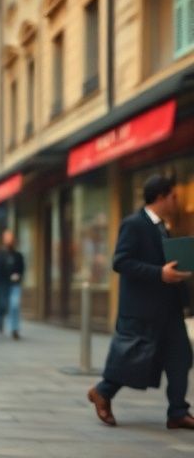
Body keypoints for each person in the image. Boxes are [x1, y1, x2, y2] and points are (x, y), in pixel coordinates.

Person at [88, 174, 194, 430]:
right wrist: (160, 273)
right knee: (133, 358)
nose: (175, 202)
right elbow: (120, 261)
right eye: (173, 197)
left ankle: (178, 411)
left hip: (168, 309)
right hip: (142, 309)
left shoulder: (162, 226)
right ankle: (102, 392)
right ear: (160, 197)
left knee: (181, 356)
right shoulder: (134, 224)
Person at [0, 229, 24, 340]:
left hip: (15, 285)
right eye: (7, 238)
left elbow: (22, 269)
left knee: (14, 306)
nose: (9, 241)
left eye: (10, 238)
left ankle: (14, 329)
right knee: (5, 307)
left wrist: (18, 275)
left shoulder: (18, 255)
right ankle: (3, 324)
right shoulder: (0, 254)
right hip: (4, 284)